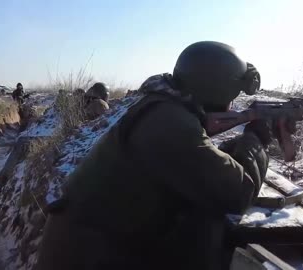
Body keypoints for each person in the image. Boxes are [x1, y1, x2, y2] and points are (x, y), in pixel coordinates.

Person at [35, 41, 273, 270]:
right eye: (231, 97)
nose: (231, 106)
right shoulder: (172, 125)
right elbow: (239, 192)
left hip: (88, 246)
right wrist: (256, 140)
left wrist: (241, 143)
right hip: (89, 257)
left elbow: (200, 163)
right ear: (215, 90)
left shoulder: (163, 107)